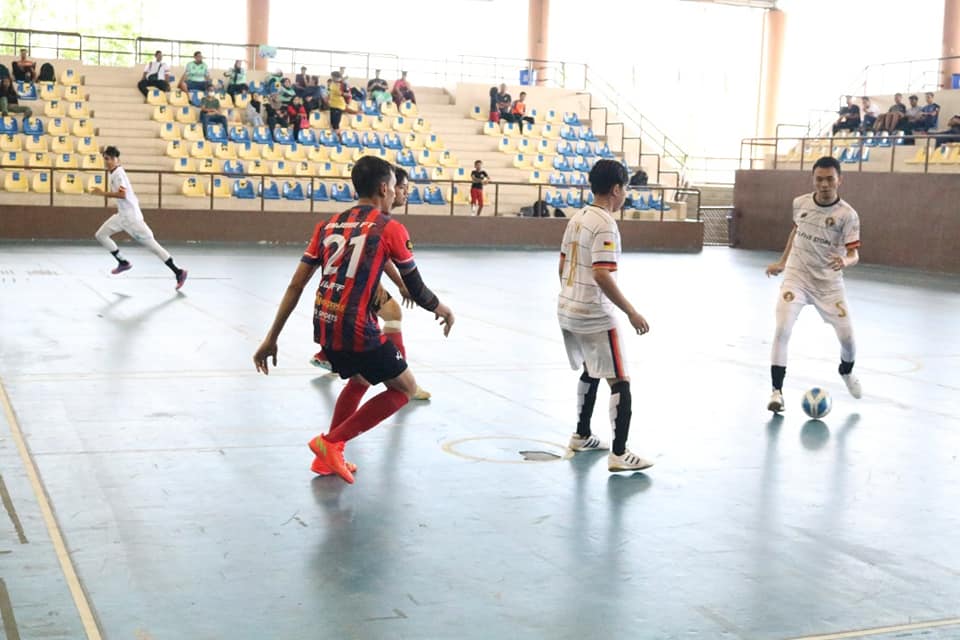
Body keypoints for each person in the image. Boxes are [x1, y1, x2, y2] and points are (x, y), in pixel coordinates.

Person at [253, 156, 454, 484]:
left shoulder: (328, 225)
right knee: (405, 389)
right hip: (357, 328)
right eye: (395, 187)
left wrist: (271, 338)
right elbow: (417, 288)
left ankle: (326, 459)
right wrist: (441, 308)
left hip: (324, 325)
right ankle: (330, 443)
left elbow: (295, 285)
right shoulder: (390, 228)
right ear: (384, 188)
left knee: (360, 379)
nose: (396, 194)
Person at [557, 159, 653, 473]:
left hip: (567, 308)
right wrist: (631, 312)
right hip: (595, 314)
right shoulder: (605, 224)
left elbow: (562, 266)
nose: (625, 194)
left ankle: (581, 434)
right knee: (620, 379)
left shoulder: (577, 218)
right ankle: (620, 453)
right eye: (625, 189)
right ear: (616, 189)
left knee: (591, 367)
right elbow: (601, 274)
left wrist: (572, 296)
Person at [310, 166, 432, 402]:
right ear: (387, 188)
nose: (405, 193)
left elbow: (380, 256)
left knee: (387, 315)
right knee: (381, 317)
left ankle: (330, 354)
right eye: (402, 188)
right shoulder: (380, 221)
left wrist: (399, 283)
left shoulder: (380, 220)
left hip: (344, 289)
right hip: (357, 284)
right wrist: (405, 285)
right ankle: (402, 379)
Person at [764, 155, 862, 413]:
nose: (824, 184)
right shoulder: (800, 203)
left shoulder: (848, 215)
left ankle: (846, 371)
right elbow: (796, 231)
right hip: (797, 277)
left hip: (829, 285)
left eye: (830, 179)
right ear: (813, 180)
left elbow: (854, 254)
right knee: (782, 329)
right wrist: (782, 262)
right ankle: (776, 392)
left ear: (839, 180)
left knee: (848, 339)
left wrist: (845, 260)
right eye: (819, 179)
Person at [92, 146, 188, 290]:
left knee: (154, 247)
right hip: (122, 216)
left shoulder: (119, 174)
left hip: (133, 220)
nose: (106, 162)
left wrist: (102, 193)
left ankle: (179, 272)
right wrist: (102, 151)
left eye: (109, 159)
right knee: (101, 235)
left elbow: (122, 194)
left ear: (116, 160)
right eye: (105, 159)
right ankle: (123, 262)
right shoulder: (113, 172)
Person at [326, 70, 349, 140]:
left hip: (338, 106)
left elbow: (343, 93)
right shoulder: (333, 83)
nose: (332, 78)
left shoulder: (338, 85)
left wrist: (346, 94)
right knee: (333, 124)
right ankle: (334, 138)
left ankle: (340, 138)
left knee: (336, 125)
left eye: (333, 77)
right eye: (332, 77)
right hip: (333, 105)